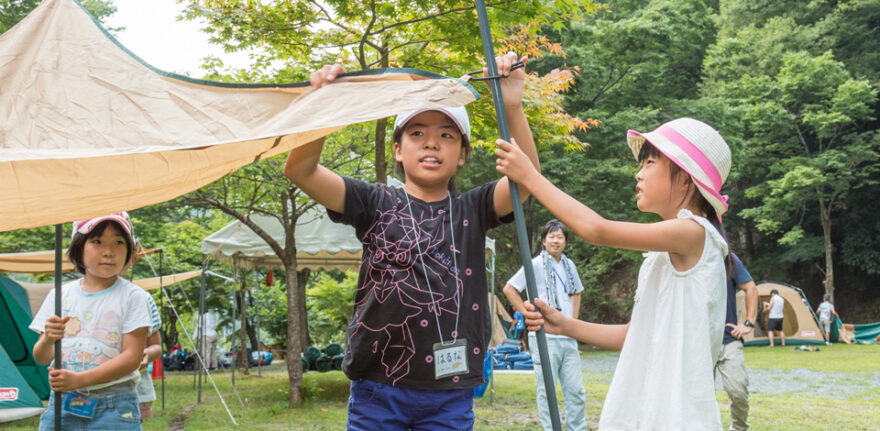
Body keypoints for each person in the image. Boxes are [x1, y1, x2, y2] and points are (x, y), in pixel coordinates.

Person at [285, 52, 539, 431]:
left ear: (463, 155)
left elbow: (526, 179)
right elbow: (300, 170)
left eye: (446, 135)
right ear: (399, 151)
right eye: (417, 133)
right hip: (377, 386)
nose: (431, 144)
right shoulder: (373, 202)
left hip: (450, 392)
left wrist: (512, 105)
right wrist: (323, 107)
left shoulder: (473, 208)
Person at [497, 117, 733, 430]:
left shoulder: (694, 233)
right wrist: (565, 324)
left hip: (677, 416)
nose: (639, 173)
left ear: (687, 180)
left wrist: (530, 177)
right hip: (648, 410)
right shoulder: (669, 252)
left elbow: (596, 229)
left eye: (649, 163)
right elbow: (633, 334)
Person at [29, 212, 152, 430]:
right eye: (97, 241)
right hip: (64, 401)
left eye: (119, 242)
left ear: (129, 253)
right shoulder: (60, 294)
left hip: (115, 404)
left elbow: (132, 357)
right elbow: (40, 357)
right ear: (79, 247)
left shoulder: (134, 297)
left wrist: (81, 379)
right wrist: (48, 339)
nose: (108, 251)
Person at [502, 219, 586, 431]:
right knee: (547, 390)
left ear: (565, 241)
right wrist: (525, 312)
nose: (556, 241)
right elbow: (509, 288)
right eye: (552, 236)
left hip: (568, 336)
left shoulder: (569, 265)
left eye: (560, 237)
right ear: (544, 241)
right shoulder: (535, 264)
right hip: (544, 336)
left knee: (576, 389)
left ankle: (577, 428)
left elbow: (576, 292)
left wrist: (573, 323)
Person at [715, 252, 758, 431]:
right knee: (699, 396)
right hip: (699, 343)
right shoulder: (686, 254)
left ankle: (739, 428)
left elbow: (751, 287)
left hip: (728, 340)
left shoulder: (726, 257)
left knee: (738, 391)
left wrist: (748, 323)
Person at [136, 294, 162, 420]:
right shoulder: (69, 294)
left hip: (132, 387)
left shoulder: (141, 298)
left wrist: (146, 353)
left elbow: (156, 346)